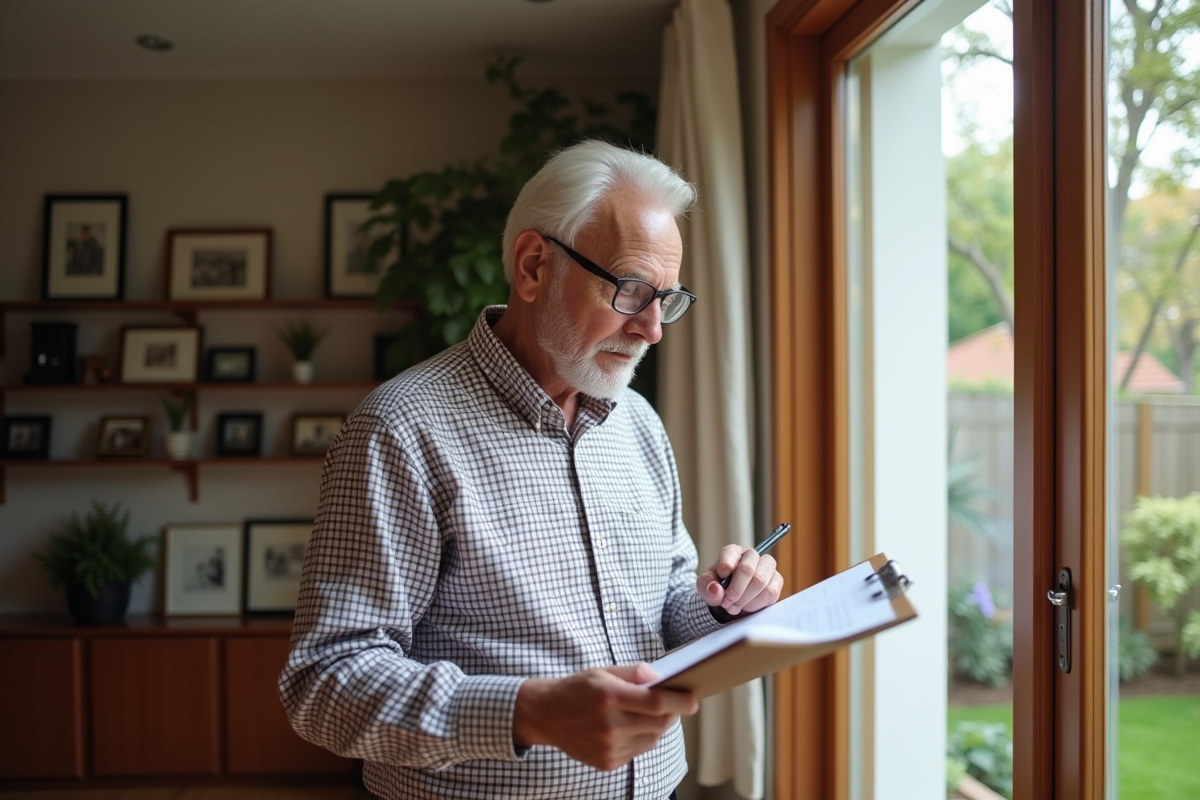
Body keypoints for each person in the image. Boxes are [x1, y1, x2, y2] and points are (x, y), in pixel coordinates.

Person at [279, 140, 784, 800]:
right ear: (533, 266)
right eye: (633, 290)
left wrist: (722, 606)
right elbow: (325, 680)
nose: (654, 330)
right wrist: (530, 713)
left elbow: (660, 609)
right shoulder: (401, 429)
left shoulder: (638, 423)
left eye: (667, 298)